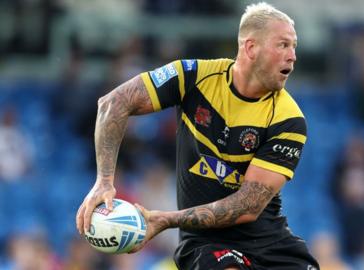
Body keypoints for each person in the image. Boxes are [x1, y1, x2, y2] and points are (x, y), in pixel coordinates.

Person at [76, 2, 319, 269]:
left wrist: (165, 219)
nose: (293, 55)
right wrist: (104, 181)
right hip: (207, 243)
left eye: (294, 46)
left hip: (270, 243)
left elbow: (248, 206)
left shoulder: (288, 119)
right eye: (283, 45)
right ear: (251, 48)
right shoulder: (193, 76)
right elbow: (114, 103)